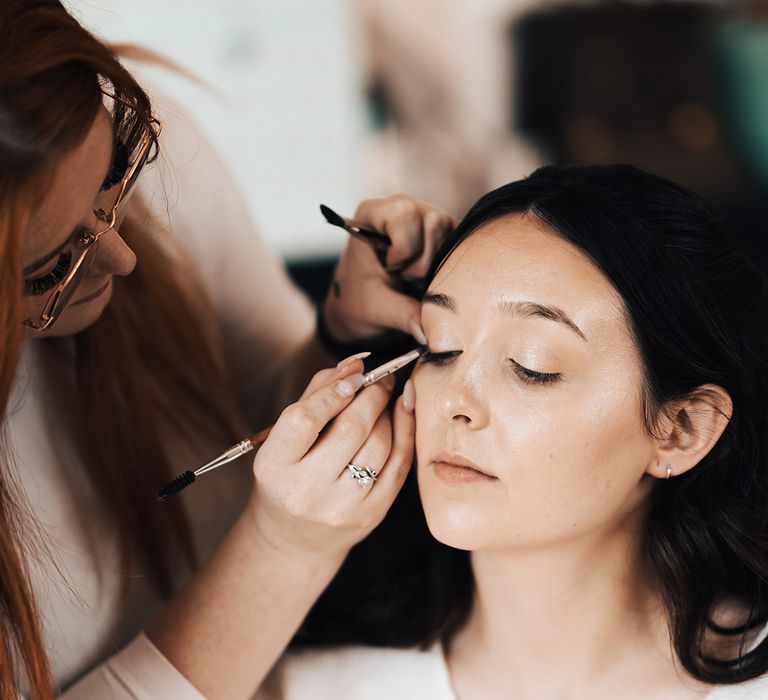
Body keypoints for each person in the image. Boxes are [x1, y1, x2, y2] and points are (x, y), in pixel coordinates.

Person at [0, 1, 456, 697]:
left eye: (113, 182)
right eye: (47, 269)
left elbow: (260, 399)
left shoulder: (131, 139)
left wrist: (341, 335)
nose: (122, 259)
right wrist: (283, 553)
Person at [261, 164, 768, 699]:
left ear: (681, 430)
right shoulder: (310, 687)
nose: (454, 399)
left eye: (532, 365)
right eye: (440, 347)